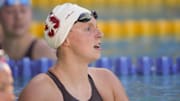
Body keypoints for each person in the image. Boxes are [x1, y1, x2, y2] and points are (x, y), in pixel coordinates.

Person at [18, 3, 129, 101]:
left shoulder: (107, 81)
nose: (100, 34)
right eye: (88, 29)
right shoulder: (40, 92)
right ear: (65, 39)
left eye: (97, 27)